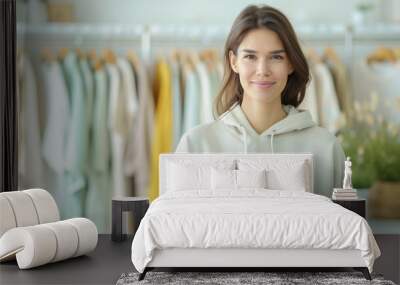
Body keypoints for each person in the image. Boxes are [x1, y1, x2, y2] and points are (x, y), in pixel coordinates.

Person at [176, 4, 345, 197]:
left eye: (276, 57)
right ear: (234, 62)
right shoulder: (196, 145)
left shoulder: (326, 148)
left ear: (290, 63)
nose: (262, 70)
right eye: (250, 56)